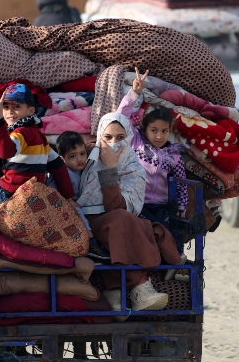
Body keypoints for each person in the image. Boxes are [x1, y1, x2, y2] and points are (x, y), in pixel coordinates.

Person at [76, 112, 184, 320]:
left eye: (120, 137)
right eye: (108, 137)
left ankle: (116, 290)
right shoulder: (86, 159)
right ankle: (140, 286)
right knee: (127, 222)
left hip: (117, 222)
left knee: (134, 223)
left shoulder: (134, 168)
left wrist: (110, 169)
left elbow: (117, 207)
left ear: (129, 138)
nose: (113, 143)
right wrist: (108, 167)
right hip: (87, 223)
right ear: (99, 137)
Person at [0, 83, 75, 207]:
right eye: (6, 107)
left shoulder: (22, 132)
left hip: (7, 198)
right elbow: (59, 166)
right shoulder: (38, 137)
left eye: (17, 106)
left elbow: (6, 151)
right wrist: (69, 198)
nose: (10, 111)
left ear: (30, 111)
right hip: (30, 197)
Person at [117, 67, 189, 255]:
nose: (159, 136)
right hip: (137, 204)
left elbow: (181, 183)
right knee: (148, 232)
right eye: (154, 130)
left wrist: (182, 206)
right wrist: (134, 93)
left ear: (170, 130)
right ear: (144, 128)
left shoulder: (174, 155)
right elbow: (121, 118)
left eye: (164, 131)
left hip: (161, 206)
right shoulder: (137, 143)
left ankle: (176, 263)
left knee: (170, 234)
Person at [47, 131, 111, 260]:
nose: (80, 159)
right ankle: (91, 242)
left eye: (82, 153)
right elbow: (52, 193)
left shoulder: (87, 169)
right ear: (62, 159)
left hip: (83, 206)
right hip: (63, 207)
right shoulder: (62, 173)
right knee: (77, 211)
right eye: (72, 156)